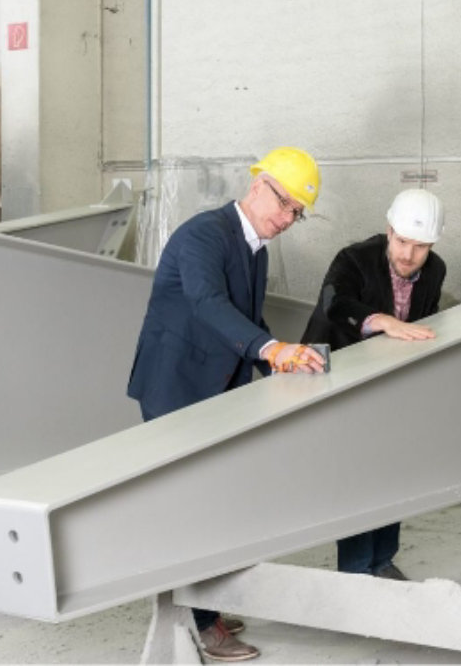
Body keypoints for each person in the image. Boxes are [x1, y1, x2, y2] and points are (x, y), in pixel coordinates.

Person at [128, 146, 326, 661]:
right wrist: (270, 350)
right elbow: (207, 303)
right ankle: (201, 621)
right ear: (257, 184)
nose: (286, 219)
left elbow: (249, 321)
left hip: (214, 389)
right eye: (283, 204)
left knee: (213, 502)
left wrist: (283, 362)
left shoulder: (254, 247)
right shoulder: (204, 234)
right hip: (176, 388)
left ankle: (204, 609)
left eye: (295, 214)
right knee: (193, 508)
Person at [301, 188, 446, 580]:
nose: (407, 255)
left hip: (390, 383)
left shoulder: (435, 270)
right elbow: (334, 302)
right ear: (388, 230)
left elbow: (427, 319)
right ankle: (355, 571)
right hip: (339, 378)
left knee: (394, 468)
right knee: (358, 476)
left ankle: (383, 560)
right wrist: (380, 319)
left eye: (420, 247)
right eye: (401, 242)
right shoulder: (353, 259)